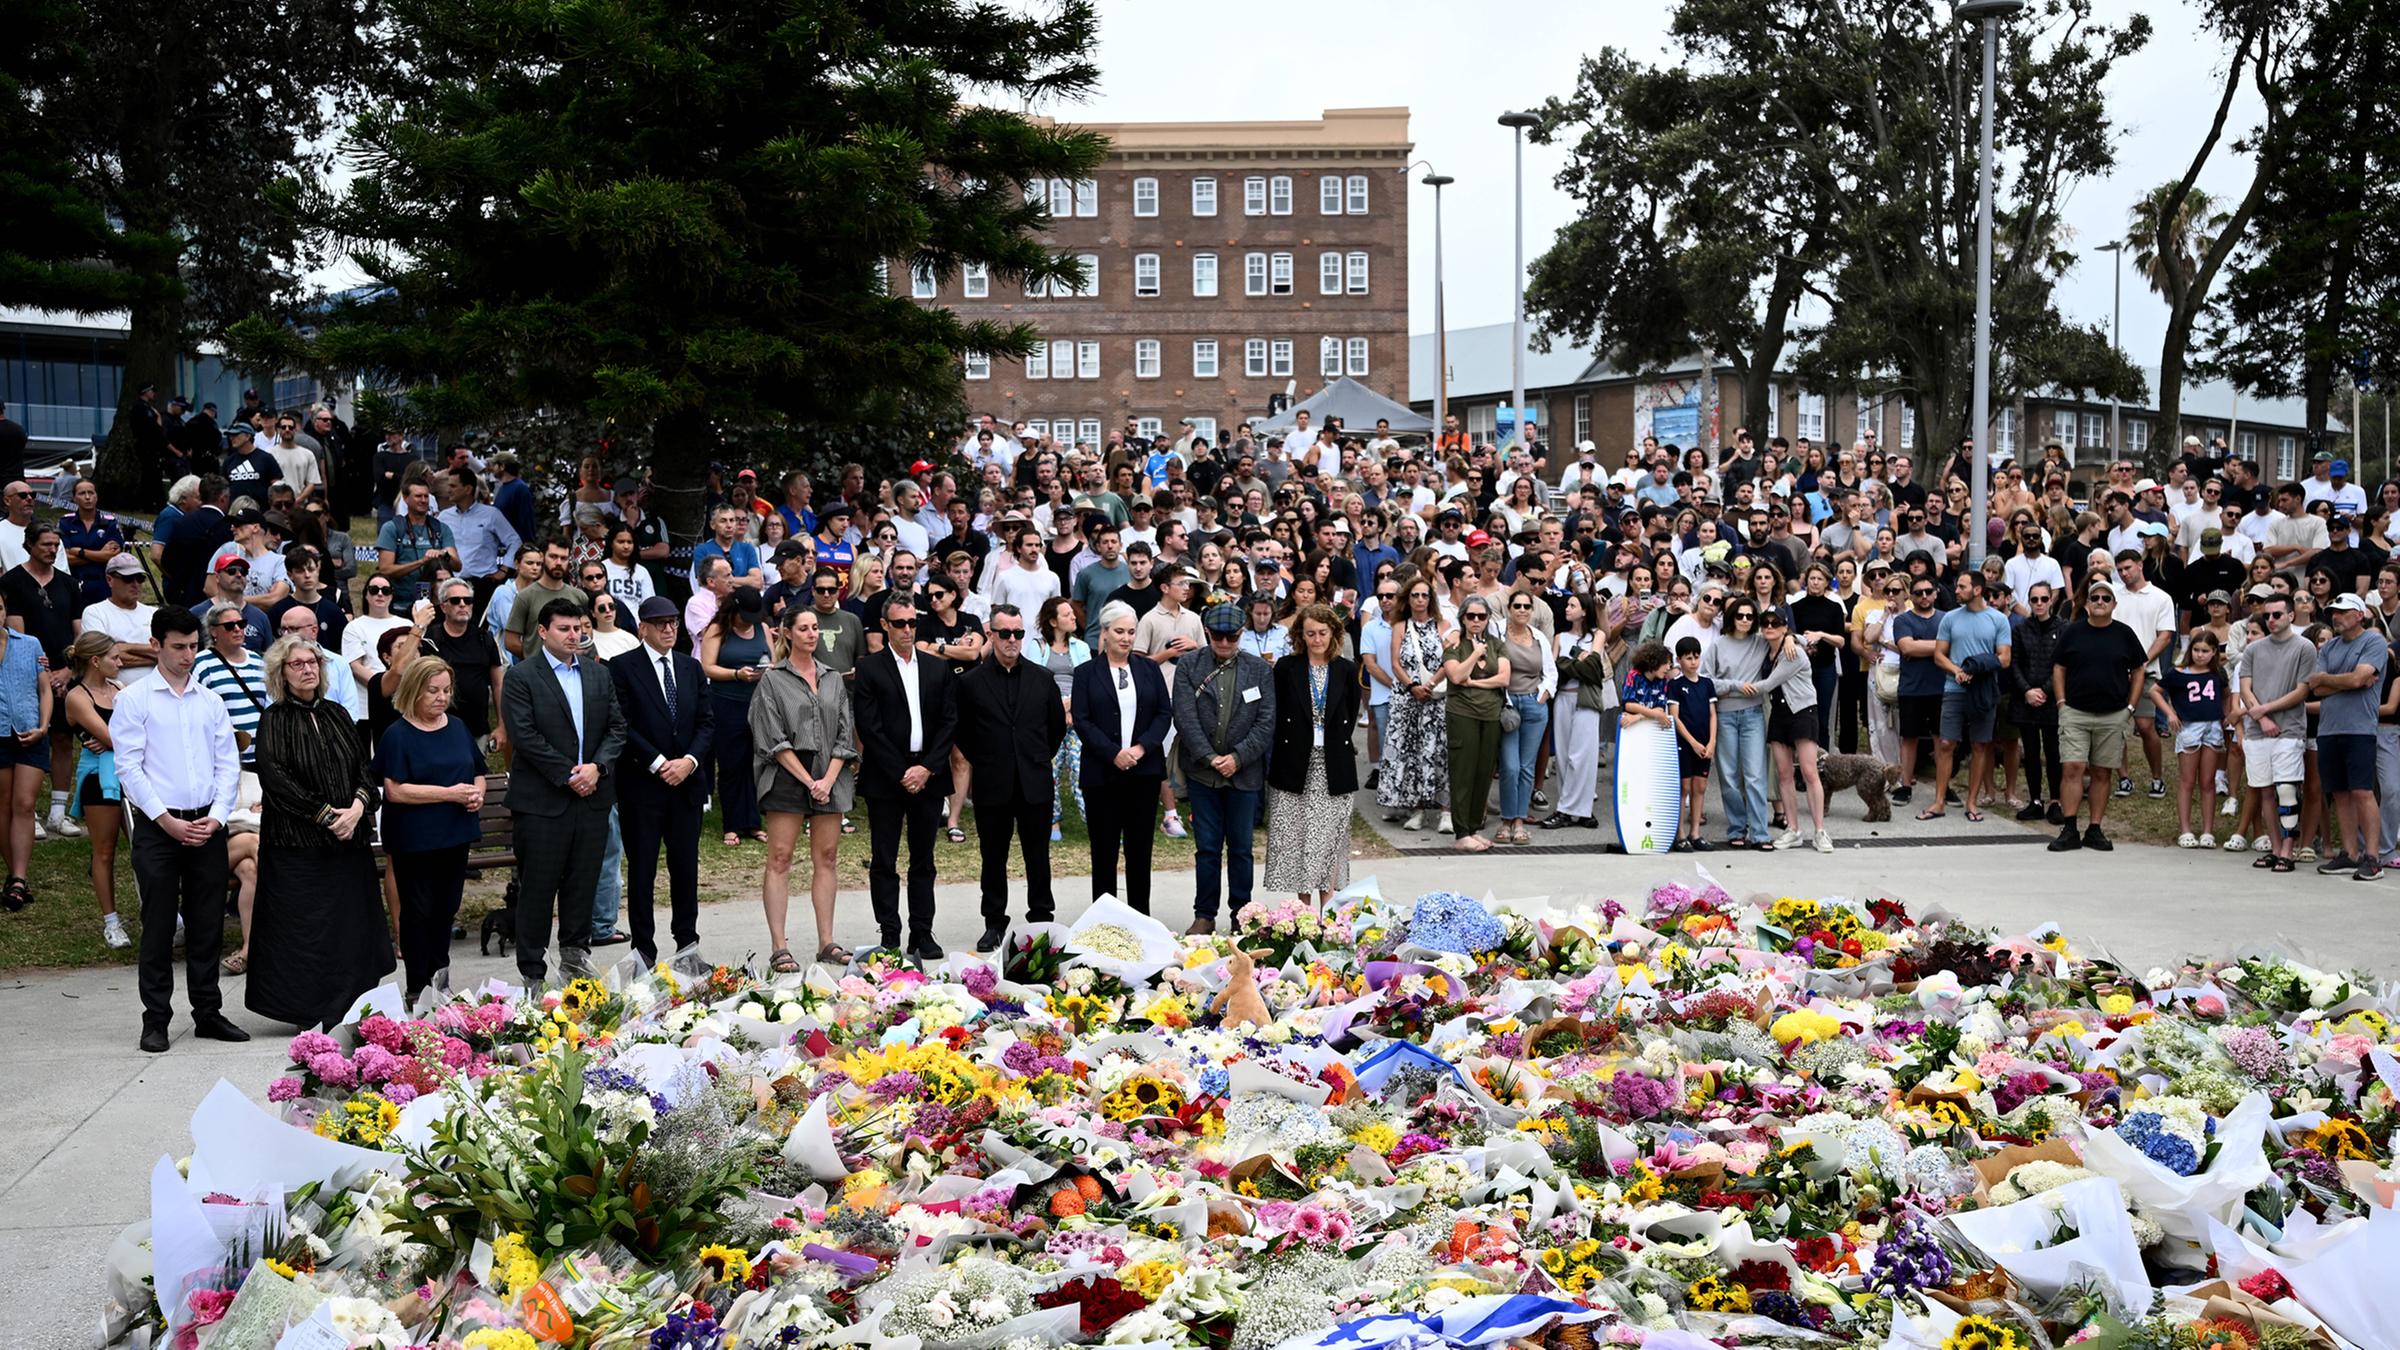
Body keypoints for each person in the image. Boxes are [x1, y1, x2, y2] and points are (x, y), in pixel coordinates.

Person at [117, 608, 244, 1052]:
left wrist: (219, 815)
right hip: (159, 826)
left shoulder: (209, 701)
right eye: (178, 647)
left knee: (207, 922)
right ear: (156, 645)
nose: (188, 655)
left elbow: (227, 763)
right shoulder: (135, 699)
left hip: (207, 823)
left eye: (193, 646)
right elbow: (129, 768)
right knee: (157, 925)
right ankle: (156, 1019)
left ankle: (207, 1012)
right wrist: (165, 820)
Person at [244, 636, 388, 1029]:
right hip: (298, 846)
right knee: (306, 929)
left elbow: (363, 770)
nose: (308, 669)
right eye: (298, 664)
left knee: (350, 923)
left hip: (348, 841)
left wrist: (356, 809)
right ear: (281, 673)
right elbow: (276, 779)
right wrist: (326, 816)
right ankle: (307, 1008)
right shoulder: (274, 719)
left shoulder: (338, 714)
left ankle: (355, 999)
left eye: (313, 663)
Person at [500, 596, 627, 983]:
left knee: (582, 885)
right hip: (543, 802)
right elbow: (524, 735)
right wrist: (570, 774)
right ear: (542, 631)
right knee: (537, 889)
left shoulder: (597, 674)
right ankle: (533, 973)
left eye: (578, 628)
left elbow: (617, 727)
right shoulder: (522, 676)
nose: (573, 635)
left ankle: (575, 965)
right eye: (564, 629)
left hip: (592, 799)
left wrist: (597, 768)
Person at [606, 597, 713, 965]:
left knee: (685, 868)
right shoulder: (622, 667)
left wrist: (689, 762)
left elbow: (706, 721)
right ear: (643, 628)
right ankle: (643, 952)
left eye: (673, 622)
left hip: (686, 784)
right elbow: (622, 723)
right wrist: (657, 762)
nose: (669, 629)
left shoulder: (690, 667)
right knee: (642, 870)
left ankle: (688, 947)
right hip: (643, 786)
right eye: (660, 623)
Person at [956, 604, 1067, 951]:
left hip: (1034, 781)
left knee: (1038, 856)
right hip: (993, 782)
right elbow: (963, 732)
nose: (1012, 640)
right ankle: (994, 922)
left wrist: (1034, 757)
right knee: (993, 857)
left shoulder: (1042, 678)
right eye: (1005, 633)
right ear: (991, 634)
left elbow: (1055, 729)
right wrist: (989, 761)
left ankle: (1042, 919)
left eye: (1018, 633)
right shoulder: (970, 683)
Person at [752, 604, 856, 968]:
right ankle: (779, 945)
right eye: (804, 628)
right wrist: (810, 781)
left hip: (829, 773)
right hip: (788, 773)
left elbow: (845, 732)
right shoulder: (772, 680)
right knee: (780, 858)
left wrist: (828, 779)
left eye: (815, 628)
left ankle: (826, 941)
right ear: (787, 633)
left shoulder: (833, 677)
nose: (812, 634)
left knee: (827, 857)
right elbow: (771, 737)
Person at [853, 597, 956, 961]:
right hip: (886, 776)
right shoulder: (869, 667)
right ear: (885, 625)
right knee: (884, 858)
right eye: (900, 623)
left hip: (929, 774)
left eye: (913, 622)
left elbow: (949, 721)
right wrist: (902, 772)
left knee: (923, 858)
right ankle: (890, 933)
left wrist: (927, 768)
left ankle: (922, 932)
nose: (908, 630)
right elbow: (869, 726)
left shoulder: (936, 667)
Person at [378, 656, 485, 1000]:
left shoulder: (457, 726)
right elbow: (395, 790)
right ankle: (417, 986)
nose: (442, 697)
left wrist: (477, 794)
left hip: (455, 833)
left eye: (446, 690)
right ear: (414, 691)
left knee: (446, 909)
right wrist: (450, 794)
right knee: (418, 911)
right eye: (433, 691)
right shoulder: (398, 734)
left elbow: (478, 771)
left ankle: (441, 980)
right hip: (415, 837)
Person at [1173, 601, 1276, 934]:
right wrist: (1209, 757)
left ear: (1241, 634)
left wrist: (1237, 757)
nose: (1224, 642)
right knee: (1207, 848)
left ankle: (1241, 915)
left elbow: (1266, 722)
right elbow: (1184, 717)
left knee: (1242, 849)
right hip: (1203, 773)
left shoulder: (1259, 670)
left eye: (1231, 636)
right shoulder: (1189, 665)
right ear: (1207, 633)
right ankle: (1204, 914)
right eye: (1218, 636)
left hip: (1244, 773)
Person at [1071, 601, 1172, 910]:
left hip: (1143, 773)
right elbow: (1082, 720)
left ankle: (1140, 917)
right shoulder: (1086, 672)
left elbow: (1163, 713)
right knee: (1104, 853)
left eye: (1131, 632)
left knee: (1140, 851)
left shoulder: (1149, 669)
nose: (1126, 638)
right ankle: (1104, 921)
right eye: (1119, 631)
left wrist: (1141, 748)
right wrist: (1113, 753)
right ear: (1104, 632)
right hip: (1102, 774)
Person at [2046, 579, 2152, 853]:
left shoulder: (2125, 634)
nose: (2100, 602)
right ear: (2087, 604)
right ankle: (2069, 828)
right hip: (2075, 712)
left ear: (2114, 604)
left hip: (2113, 714)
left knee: (2102, 772)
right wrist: (2061, 702)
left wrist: (2130, 707)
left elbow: (2138, 670)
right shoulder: (2073, 632)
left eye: (2106, 598)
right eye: (2095, 598)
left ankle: (2094, 829)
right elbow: (2059, 667)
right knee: (2072, 767)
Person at [1263, 603, 1356, 907]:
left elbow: (1350, 712)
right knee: (1297, 837)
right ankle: (1303, 909)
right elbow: (1277, 713)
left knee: (1329, 838)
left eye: (1322, 633)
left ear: (1334, 633)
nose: (1317, 639)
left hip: (1333, 764)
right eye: (1311, 633)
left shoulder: (1346, 669)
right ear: (1301, 636)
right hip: (1294, 762)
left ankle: (1328, 907)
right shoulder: (1287, 668)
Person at [1919, 571, 2012, 821]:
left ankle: (1972, 802)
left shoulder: (1998, 620)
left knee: (1980, 745)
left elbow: (2004, 658)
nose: (1956, 591)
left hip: (1983, 690)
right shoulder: (1950, 618)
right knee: (1946, 743)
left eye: (1961, 587)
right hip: (1954, 688)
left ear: (1977, 590)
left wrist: (1978, 668)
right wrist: (1958, 671)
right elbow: (1939, 655)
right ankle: (1939, 801)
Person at [2310, 592, 2388, 879]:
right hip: (2329, 728)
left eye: (2342, 612)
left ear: (2359, 615)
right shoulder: (2329, 647)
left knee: (2362, 791)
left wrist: (2334, 679)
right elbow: (2317, 687)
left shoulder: (2374, 642)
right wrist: (2349, 681)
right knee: (2340, 793)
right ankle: (2350, 854)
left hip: (2359, 728)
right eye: (2334, 612)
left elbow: (2358, 678)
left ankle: (2373, 858)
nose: (2336, 616)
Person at [64, 632, 129, 945]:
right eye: (114, 658)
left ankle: (164, 913)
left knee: (147, 848)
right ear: (95, 661)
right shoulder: (77, 697)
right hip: (99, 778)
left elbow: (142, 732)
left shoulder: (120, 689)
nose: (120, 663)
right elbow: (115, 737)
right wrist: (116, 742)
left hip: (131, 773)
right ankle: (111, 922)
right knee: (104, 851)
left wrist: (115, 743)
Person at [1378, 572, 1452, 832]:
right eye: (1415, 595)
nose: (1420, 600)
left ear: (1431, 599)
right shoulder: (1400, 626)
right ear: (1407, 599)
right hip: (1407, 698)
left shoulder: (1443, 625)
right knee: (1412, 755)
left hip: (1436, 698)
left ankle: (1445, 811)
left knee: (1439, 753)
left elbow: (1448, 660)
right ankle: (1417, 809)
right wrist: (1412, 687)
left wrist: (1429, 685)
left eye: (1424, 595)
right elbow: (1395, 663)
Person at [699, 586, 772, 847]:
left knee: (755, 763)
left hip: (758, 703)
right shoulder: (718, 629)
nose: (749, 621)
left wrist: (767, 670)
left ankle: (753, 821)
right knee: (731, 764)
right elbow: (707, 667)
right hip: (726, 703)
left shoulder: (762, 629)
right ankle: (731, 824)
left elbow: (772, 659)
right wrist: (736, 674)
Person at [1756, 609, 1833, 853]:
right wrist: (1791, 636)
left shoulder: (1794, 652)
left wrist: (1732, 688)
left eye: (1775, 623)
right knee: (1783, 773)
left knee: (1809, 772)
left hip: (1802, 711)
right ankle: (1793, 828)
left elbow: (1769, 683)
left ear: (1784, 626)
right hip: (1779, 712)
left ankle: (1819, 831)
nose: (1769, 627)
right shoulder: (1765, 648)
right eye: (1765, 623)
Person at [1701, 597, 1775, 848]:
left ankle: (1760, 833)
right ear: (1731, 617)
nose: (1745, 620)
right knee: (1729, 776)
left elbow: (1794, 640)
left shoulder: (1761, 642)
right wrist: (1735, 686)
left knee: (1755, 775)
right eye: (1740, 615)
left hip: (1753, 714)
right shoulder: (1717, 645)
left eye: (1750, 616)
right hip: (1724, 716)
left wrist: (1788, 639)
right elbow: (1706, 681)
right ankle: (1736, 828)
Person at [1440, 596, 1510, 852]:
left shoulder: (1497, 644)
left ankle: (1473, 828)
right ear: (1463, 618)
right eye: (1471, 616)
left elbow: (1504, 678)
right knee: (1463, 773)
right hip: (1462, 714)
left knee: (1483, 773)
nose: (1477, 621)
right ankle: (1461, 833)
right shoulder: (1455, 644)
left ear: (1489, 619)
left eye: (1482, 616)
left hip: (1490, 714)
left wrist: (1475, 683)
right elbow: (1456, 675)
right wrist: (1475, 655)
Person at [2151, 628, 2230, 851]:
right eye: (2196, 650)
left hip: (2213, 727)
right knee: (2187, 780)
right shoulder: (2178, 673)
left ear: (2214, 652)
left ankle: (2207, 831)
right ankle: (2185, 829)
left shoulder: (2218, 673)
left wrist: (2225, 715)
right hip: (2189, 727)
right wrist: (2170, 713)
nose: (2200, 655)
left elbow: (2225, 695)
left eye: (2205, 651)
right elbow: (2155, 691)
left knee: (2208, 781)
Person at [1543, 592, 1614, 831]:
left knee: (1583, 756)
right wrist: (1577, 662)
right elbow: (1554, 669)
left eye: (1572, 605)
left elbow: (1593, 668)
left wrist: (1568, 664)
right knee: (1563, 755)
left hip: (1585, 699)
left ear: (1584, 611)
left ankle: (1576, 809)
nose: (1567, 608)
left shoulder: (1597, 635)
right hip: (1564, 697)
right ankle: (1570, 808)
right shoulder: (1560, 637)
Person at [1491, 586, 1557, 845]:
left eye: (1526, 606)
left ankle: (1518, 821)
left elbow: (1551, 672)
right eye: (1517, 606)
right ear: (1509, 609)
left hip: (1534, 704)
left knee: (1527, 767)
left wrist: (1543, 695)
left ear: (1532, 610)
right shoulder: (1496, 631)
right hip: (1507, 705)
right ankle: (1506, 820)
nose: (1521, 610)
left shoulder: (1538, 636)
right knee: (1510, 766)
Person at [418, 577, 505, 746]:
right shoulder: (430, 639)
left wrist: (502, 726)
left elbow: (498, 684)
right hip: (437, 728)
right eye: (455, 600)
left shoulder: (485, 638)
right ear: (443, 606)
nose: (463, 604)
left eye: (468, 600)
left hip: (477, 730)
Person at [1035, 595, 1090, 843]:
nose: (1073, 617)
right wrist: (1060, 709)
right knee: (1051, 771)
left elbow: (1087, 682)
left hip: (1077, 716)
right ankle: (1052, 819)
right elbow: (1034, 684)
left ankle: (1094, 820)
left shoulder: (1081, 647)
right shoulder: (1037, 647)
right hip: (1047, 716)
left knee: (1081, 770)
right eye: (1067, 614)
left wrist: (1071, 710)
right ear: (1053, 621)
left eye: (1072, 613)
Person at [1889, 576, 1945, 805]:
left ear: (1936, 593)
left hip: (1942, 687)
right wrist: (1941, 646)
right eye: (1918, 592)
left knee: (1942, 739)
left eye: (1928, 591)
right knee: (1909, 738)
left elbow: (1954, 645)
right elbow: (1907, 647)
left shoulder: (1946, 618)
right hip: (1911, 688)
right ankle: (1905, 785)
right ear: (1911, 596)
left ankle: (1944, 786)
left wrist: (1920, 645)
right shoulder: (1903, 620)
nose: (1924, 596)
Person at [1664, 638, 1718, 850]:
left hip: (1704, 744)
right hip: (1685, 744)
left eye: (1696, 657)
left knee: (1700, 787)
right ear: (1679, 660)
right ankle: (1680, 834)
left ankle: (1695, 833)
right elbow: (1675, 717)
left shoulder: (1707, 684)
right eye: (1688, 658)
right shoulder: (1675, 685)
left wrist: (1712, 741)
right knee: (1684, 787)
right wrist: (1693, 742)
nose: (1693, 662)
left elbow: (1712, 715)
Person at [375, 479, 460, 608]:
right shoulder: (392, 528)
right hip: (400, 603)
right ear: (405, 498)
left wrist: (444, 554)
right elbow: (385, 569)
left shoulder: (440, 528)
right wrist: (421, 562)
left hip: (436, 604)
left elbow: (457, 566)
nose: (423, 500)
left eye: (426, 496)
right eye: (418, 496)